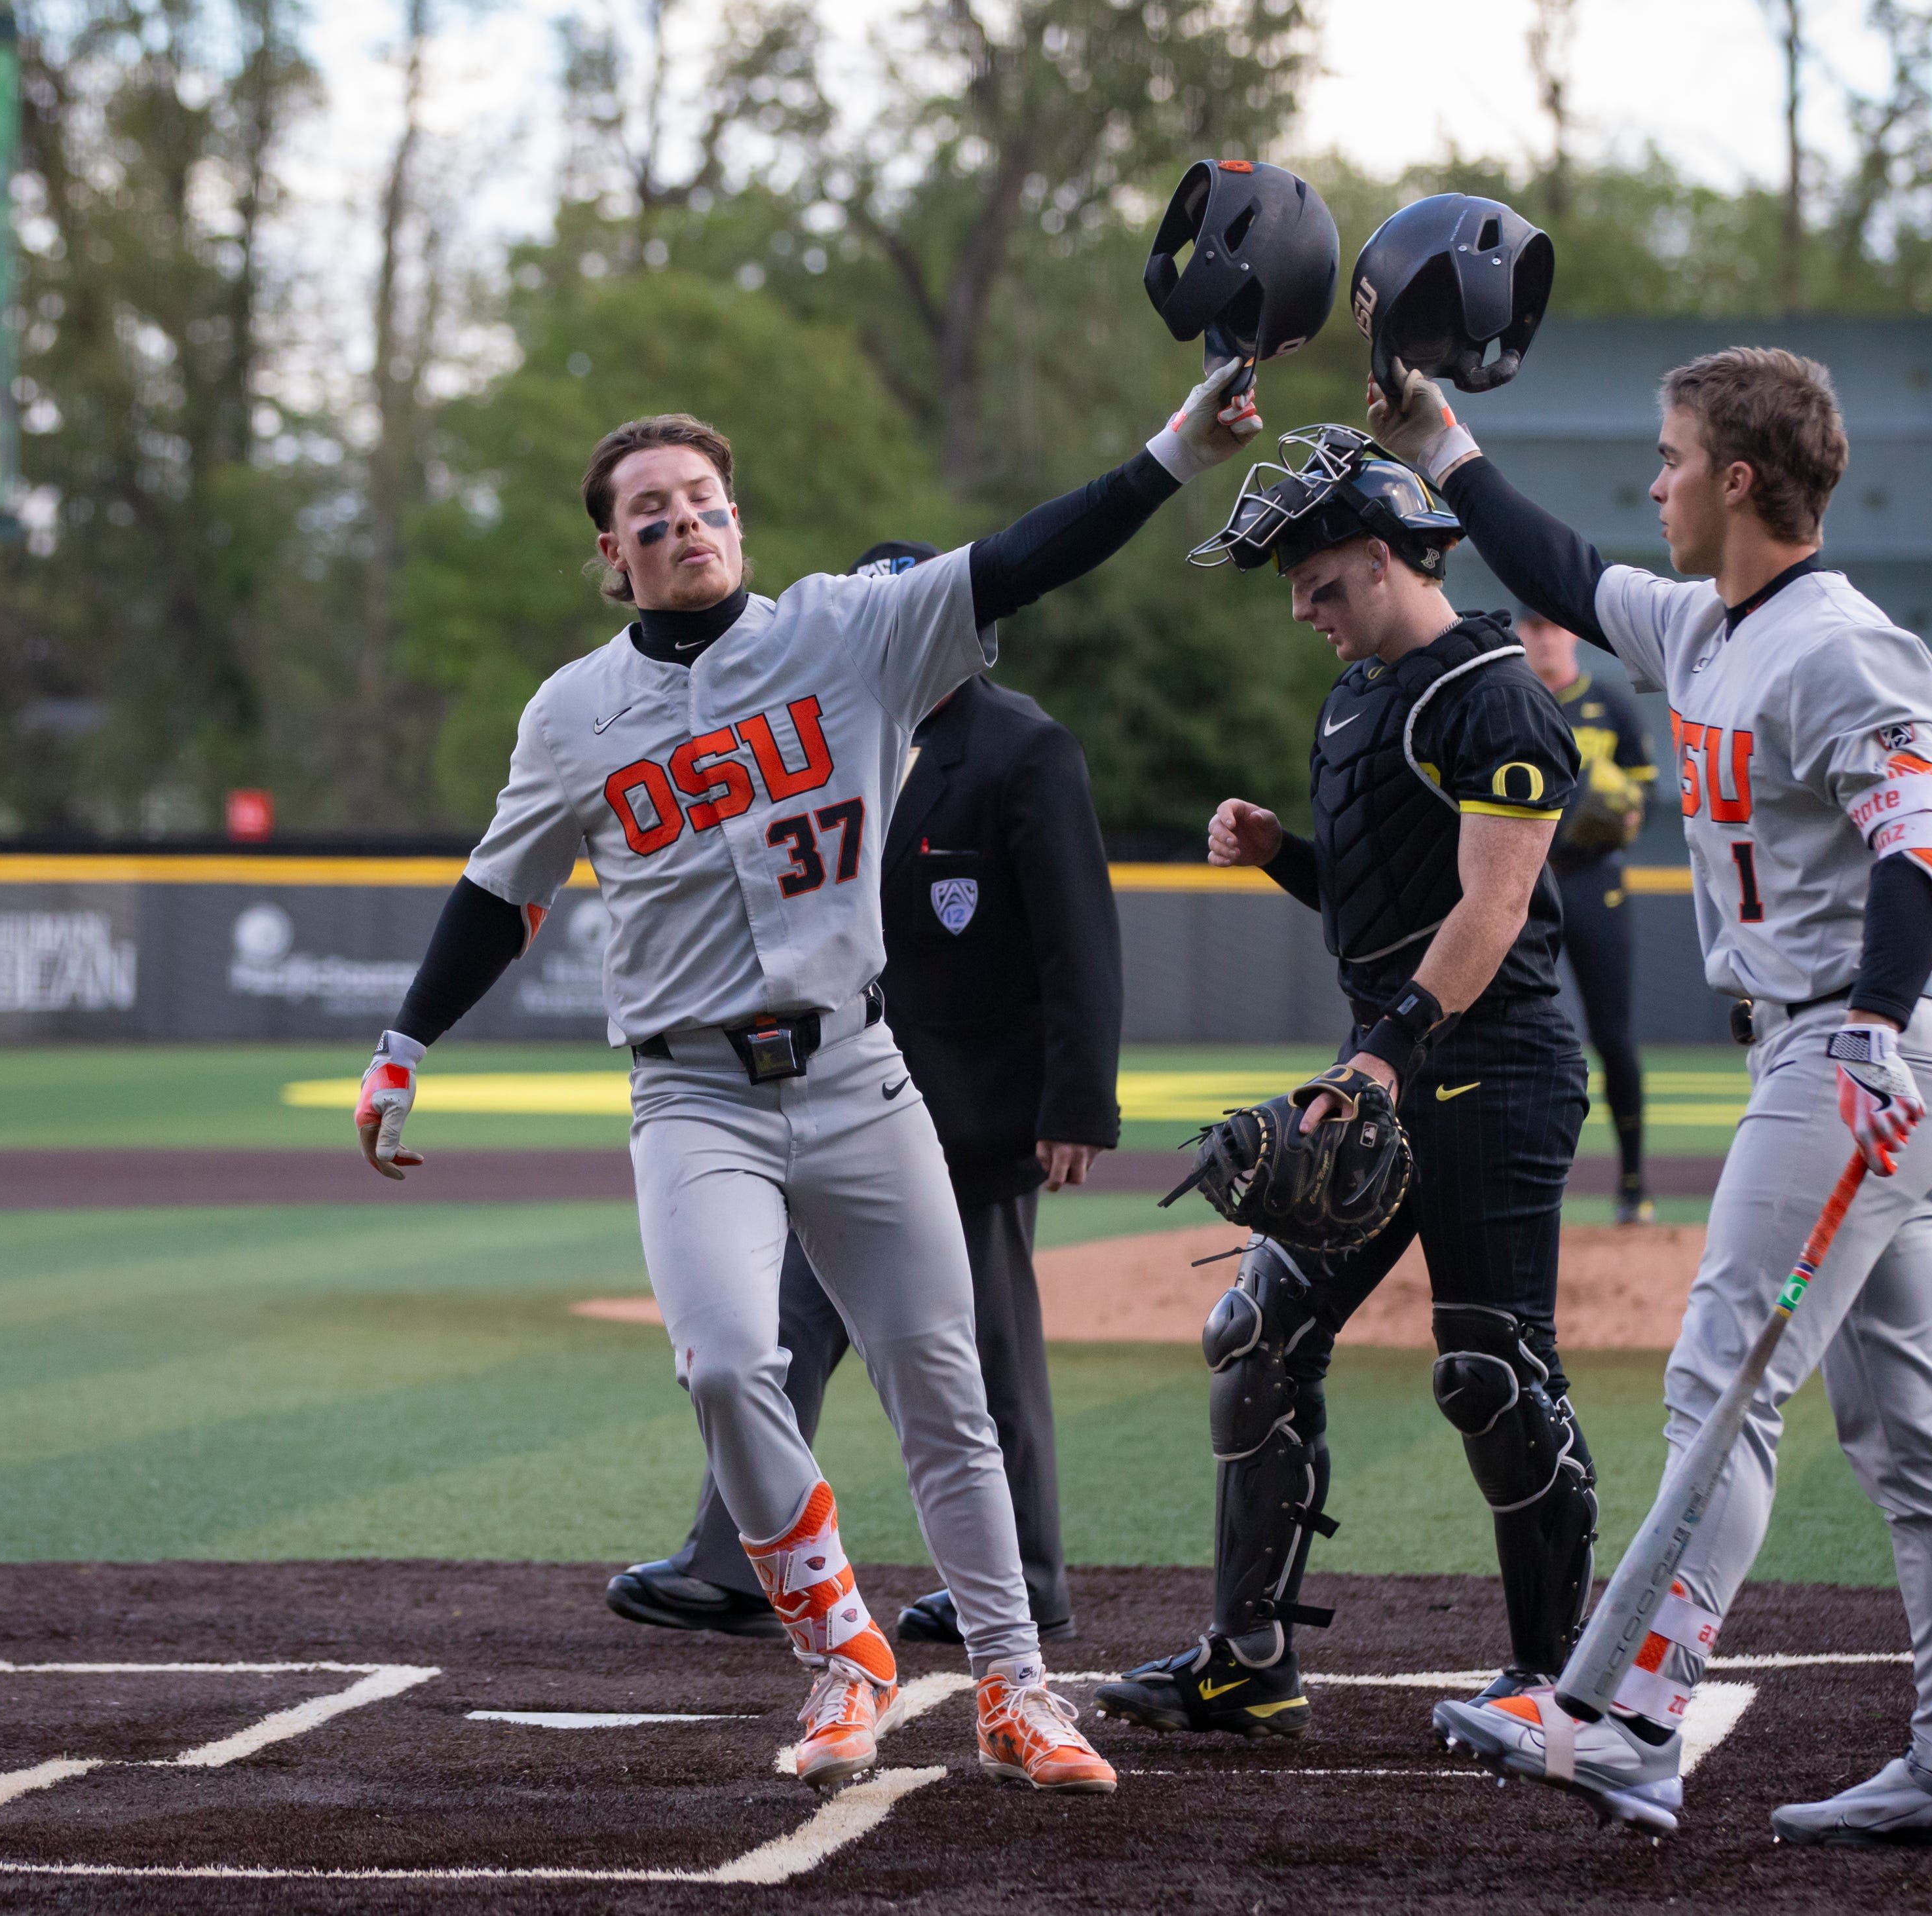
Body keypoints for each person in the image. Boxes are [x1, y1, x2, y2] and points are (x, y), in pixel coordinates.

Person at [354, 366, 1263, 1797]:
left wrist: (1175, 451)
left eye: (702, 497)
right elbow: (494, 889)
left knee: (940, 1386)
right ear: (613, 553)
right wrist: (404, 1044)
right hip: (693, 1093)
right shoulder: (572, 712)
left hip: (854, 1068)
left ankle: (1018, 1683)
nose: (682, 519)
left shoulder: (848, 629)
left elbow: (1034, 547)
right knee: (724, 1360)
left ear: (737, 519)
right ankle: (844, 1647)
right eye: (648, 508)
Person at [1375, 349, 1932, 1849]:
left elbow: (1925, 848)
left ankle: (1628, 1718)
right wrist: (1439, 441)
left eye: (1668, 457)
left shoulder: (1839, 648)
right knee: (1905, 1434)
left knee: (1721, 1374)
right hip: (1829, 1054)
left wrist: (1864, 1022)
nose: (1648, 481)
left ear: (1735, 477)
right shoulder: (1702, 622)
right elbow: (1551, 561)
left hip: (1846, 1059)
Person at [1093, 426, 1601, 1740]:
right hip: (1392, 1062)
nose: (1306, 610)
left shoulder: (1493, 688)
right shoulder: (1362, 691)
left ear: (1383, 559)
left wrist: (1382, 1052)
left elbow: (1492, 912)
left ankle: (1555, 1679)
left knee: (1490, 1370)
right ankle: (1245, 1660)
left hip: (1491, 1068)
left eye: (1321, 584)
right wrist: (1281, 852)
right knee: (1252, 1335)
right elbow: (1387, 902)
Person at [604, 538, 1125, 1649]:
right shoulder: (816, 742)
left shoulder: (1024, 749)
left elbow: (1079, 945)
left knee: (986, 1348)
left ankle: (1026, 1581)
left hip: (972, 1108)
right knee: (780, 1326)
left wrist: (1076, 1104)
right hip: (833, 1095)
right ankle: (737, 1563)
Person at [1516, 605, 1660, 1223]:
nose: (1545, 638)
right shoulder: (1512, 700)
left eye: (1552, 626)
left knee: (1613, 1037)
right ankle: (1517, 1185)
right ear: (1522, 634)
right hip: (1525, 887)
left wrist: (1627, 813)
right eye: (1533, 628)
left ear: (1569, 633)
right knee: (1518, 1040)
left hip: (1596, 882)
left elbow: (1647, 792)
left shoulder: (1609, 702)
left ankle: (1632, 1183)